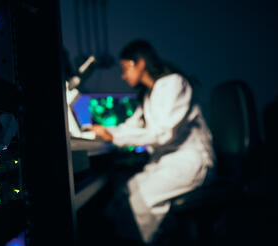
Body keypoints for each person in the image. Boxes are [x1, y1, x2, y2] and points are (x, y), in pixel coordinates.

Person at [89, 40, 216, 244]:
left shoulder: (174, 83)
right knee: (123, 194)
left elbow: (163, 133)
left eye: (125, 68)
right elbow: (131, 127)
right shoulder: (149, 95)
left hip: (191, 163)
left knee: (137, 204)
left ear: (139, 63)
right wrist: (101, 132)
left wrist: (113, 137)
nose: (123, 75)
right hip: (166, 164)